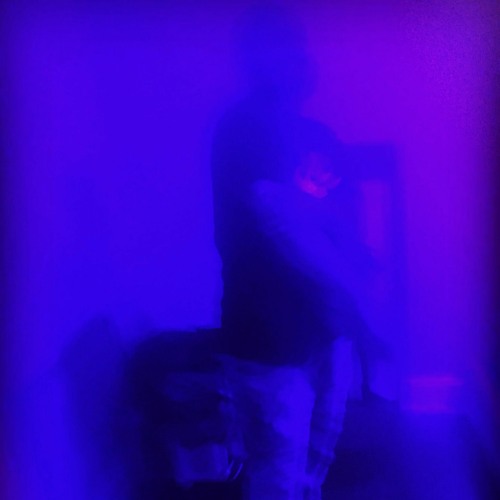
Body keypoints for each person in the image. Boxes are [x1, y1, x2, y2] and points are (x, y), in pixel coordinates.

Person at [211, 5, 379, 498]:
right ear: (257, 58)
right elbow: (283, 224)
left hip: (324, 334)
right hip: (270, 347)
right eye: (287, 48)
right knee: (276, 480)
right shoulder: (244, 127)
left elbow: (337, 214)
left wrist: (358, 272)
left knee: (311, 471)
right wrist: (359, 293)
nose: (303, 59)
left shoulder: (312, 135)